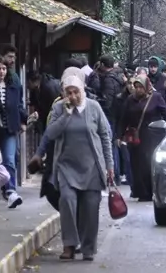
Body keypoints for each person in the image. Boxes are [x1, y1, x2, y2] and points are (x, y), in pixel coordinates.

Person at [45, 70, 114, 261]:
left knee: (91, 207)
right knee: (67, 201)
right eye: (69, 92)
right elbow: (50, 134)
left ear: (82, 90)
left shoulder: (94, 107)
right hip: (67, 166)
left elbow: (105, 136)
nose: (73, 96)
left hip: (92, 166)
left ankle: (88, 248)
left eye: (76, 91)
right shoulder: (59, 108)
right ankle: (69, 244)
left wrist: (110, 165)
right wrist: (66, 115)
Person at [117, 72, 166, 202]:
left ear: (146, 86)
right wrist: (119, 135)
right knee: (136, 164)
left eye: (141, 87)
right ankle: (140, 191)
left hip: (152, 135)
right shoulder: (131, 99)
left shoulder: (156, 97)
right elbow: (123, 118)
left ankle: (151, 190)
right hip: (135, 136)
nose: (138, 90)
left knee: (148, 163)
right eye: (136, 87)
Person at [0, 56, 26, 209]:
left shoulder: (14, 85)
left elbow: (19, 104)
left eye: (4, 69)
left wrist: (23, 121)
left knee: (9, 160)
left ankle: (10, 191)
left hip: (10, 128)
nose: (1, 72)